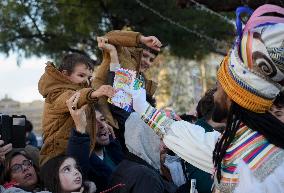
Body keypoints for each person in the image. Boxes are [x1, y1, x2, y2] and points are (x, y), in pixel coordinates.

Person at [127, 4, 284, 193]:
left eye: (218, 87)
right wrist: (142, 106)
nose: (214, 93)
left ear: (232, 96)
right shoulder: (235, 141)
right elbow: (190, 137)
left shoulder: (271, 169)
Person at [38, 53, 115, 165]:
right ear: (65, 74)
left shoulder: (83, 91)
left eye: (88, 77)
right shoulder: (55, 94)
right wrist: (95, 93)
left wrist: (100, 125)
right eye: (81, 75)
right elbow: (71, 98)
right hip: (56, 160)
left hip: (78, 153)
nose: (86, 81)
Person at [93, 31, 162, 150]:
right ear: (137, 51)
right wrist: (142, 39)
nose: (147, 62)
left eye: (151, 60)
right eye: (145, 56)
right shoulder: (121, 54)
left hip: (125, 131)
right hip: (105, 121)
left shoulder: (141, 80)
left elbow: (133, 109)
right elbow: (107, 37)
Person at [66, 93, 123, 192]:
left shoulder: (115, 150)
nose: (101, 125)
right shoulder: (85, 163)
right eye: (93, 123)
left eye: (102, 119)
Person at [109, 112, 177, 193]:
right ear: (144, 138)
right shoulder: (146, 177)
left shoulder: (124, 166)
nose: (165, 146)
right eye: (159, 137)